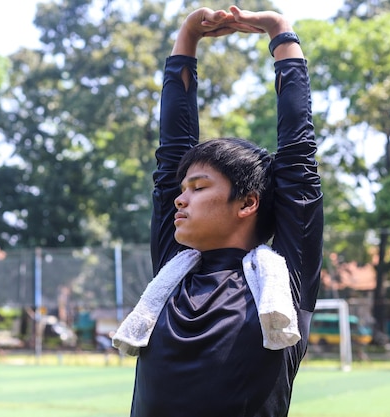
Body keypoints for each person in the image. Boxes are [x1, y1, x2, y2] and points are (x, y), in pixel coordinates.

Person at [113, 6, 323, 417]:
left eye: (198, 187)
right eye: (182, 187)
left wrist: (281, 32)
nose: (179, 198)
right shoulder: (174, 269)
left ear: (247, 203)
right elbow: (171, 150)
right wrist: (186, 38)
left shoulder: (281, 284)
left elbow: (299, 160)